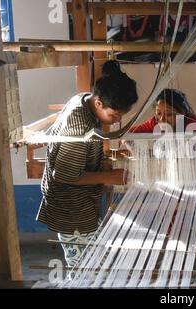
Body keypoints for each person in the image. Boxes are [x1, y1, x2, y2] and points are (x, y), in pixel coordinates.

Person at [37, 60, 138, 267]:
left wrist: (105, 162)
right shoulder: (78, 125)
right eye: (114, 115)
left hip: (80, 202)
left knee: (91, 260)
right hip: (70, 206)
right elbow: (63, 175)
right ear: (99, 103)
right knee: (84, 267)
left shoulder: (85, 99)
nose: (117, 121)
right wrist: (110, 177)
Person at [129, 88, 196, 133]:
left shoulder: (194, 125)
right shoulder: (155, 122)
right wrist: (128, 146)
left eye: (169, 114)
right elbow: (126, 134)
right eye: (158, 113)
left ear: (182, 113)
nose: (162, 119)